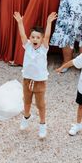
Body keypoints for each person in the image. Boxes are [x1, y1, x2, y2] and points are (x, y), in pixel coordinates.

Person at [14, 11, 57, 139]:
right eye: (33, 37)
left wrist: (49, 22)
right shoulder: (27, 46)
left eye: (38, 37)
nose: (35, 39)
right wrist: (20, 22)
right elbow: (22, 34)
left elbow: (48, 35)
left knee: (40, 104)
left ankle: (42, 124)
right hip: (27, 79)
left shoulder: (44, 48)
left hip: (39, 82)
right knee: (26, 101)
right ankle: (26, 116)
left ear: (42, 39)